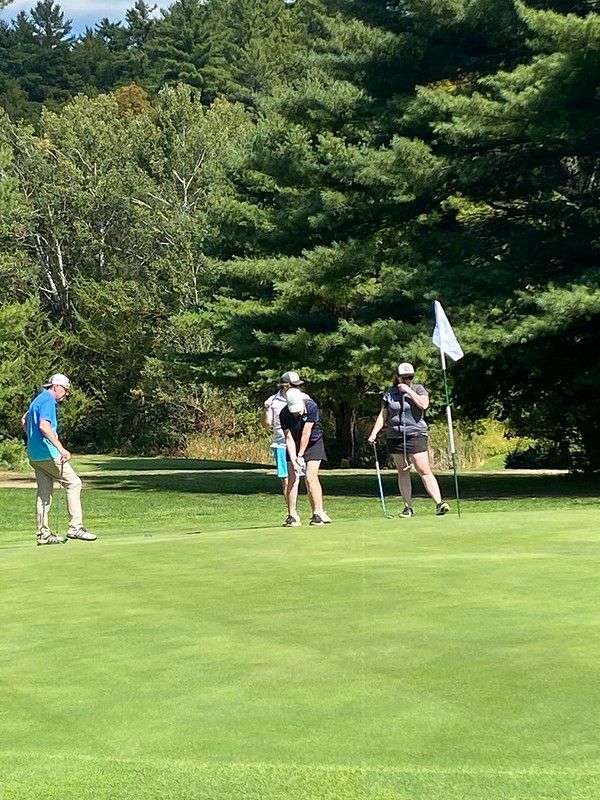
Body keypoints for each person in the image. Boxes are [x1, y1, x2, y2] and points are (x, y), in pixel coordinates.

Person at [21, 373, 97, 545]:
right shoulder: (48, 401)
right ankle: (75, 527)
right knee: (74, 483)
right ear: (56, 387)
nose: (66, 394)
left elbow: (24, 421)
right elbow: (44, 425)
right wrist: (60, 448)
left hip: (35, 454)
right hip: (49, 454)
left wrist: (32, 439)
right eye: (65, 390)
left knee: (44, 494)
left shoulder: (37, 400)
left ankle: (43, 534)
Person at [368, 362, 450, 518]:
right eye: (404, 378)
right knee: (403, 471)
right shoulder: (389, 394)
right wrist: (374, 433)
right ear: (397, 377)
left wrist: (409, 391)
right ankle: (407, 507)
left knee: (424, 470)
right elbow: (383, 415)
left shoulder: (419, 389)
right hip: (396, 435)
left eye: (409, 377)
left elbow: (423, 404)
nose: (407, 380)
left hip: (416, 434)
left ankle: (439, 503)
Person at [279, 388, 331, 527]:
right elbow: (288, 438)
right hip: (294, 444)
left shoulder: (311, 407)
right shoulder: (284, 414)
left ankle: (318, 513)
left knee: (310, 477)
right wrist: (294, 460)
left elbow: (306, 433)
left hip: (314, 443)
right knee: (292, 478)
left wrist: (300, 455)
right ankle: (292, 515)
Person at [262, 371, 309, 501]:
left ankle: (315, 511)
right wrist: (266, 410)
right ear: (284, 385)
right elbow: (267, 424)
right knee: (287, 481)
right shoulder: (273, 400)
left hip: (300, 445)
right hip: (281, 444)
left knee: (308, 479)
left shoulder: (304, 397)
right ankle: (292, 513)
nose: (296, 388)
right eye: (293, 385)